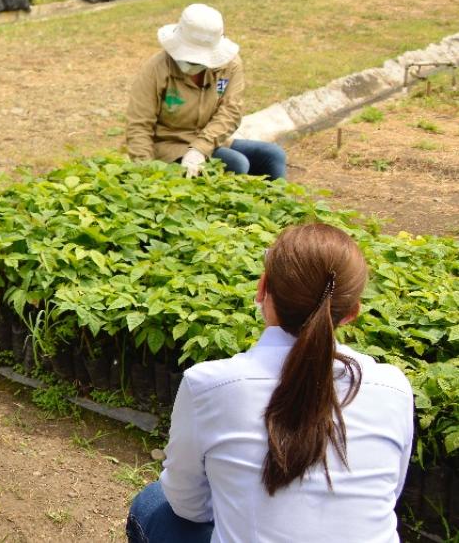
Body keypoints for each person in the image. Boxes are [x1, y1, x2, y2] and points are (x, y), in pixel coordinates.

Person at [128, 223, 414, 543]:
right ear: (352, 313)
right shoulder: (394, 388)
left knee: (152, 503)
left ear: (263, 288)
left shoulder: (209, 386)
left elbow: (187, 505)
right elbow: (391, 493)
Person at [126, 4, 288, 179]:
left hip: (211, 141)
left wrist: (199, 149)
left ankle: (274, 204)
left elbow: (230, 112)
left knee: (273, 155)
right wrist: (146, 173)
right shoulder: (156, 69)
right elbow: (139, 125)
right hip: (168, 145)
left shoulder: (230, 66)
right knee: (236, 163)